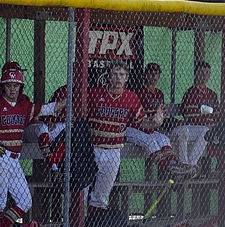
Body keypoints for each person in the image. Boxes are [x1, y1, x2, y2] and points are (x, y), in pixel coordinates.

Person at [0, 62, 64, 227]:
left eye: (16, 86)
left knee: (25, 201)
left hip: (15, 160)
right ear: (3, 87)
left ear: (21, 87)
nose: (12, 89)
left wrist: (72, 96)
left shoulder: (24, 106)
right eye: (9, 86)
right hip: (0, 158)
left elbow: (51, 108)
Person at [86, 61, 154, 214]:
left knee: (101, 195)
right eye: (115, 74)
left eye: (122, 75)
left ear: (127, 78)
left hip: (113, 151)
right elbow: (81, 115)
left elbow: (141, 122)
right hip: (92, 149)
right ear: (108, 76)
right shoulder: (95, 93)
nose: (118, 78)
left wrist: (155, 122)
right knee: (80, 190)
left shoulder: (131, 97)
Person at [129, 62, 196, 178]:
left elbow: (162, 116)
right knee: (151, 142)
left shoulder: (159, 93)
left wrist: (165, 120)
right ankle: (170, 169)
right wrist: (153, 118)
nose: (154, 77)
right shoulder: (139, 92)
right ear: (145, 75)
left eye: (156, 74)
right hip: (134, 127)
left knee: (164, 138)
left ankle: (175, 164)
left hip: (150, 128)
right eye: (151, 74)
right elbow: (136, 116)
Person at [170, 61, 218, 170]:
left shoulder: (212, 94)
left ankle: (191, 166)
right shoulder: (191, 93)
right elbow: (191, 117)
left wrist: (203, 115)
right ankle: (191, 166)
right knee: (204, 131)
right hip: (195, 128)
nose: (205, 75)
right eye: (201, 72)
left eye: (207, 73)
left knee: (209, 131)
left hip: (211, 127)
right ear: (196, 74)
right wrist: (207, 117)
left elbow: (216, 115)